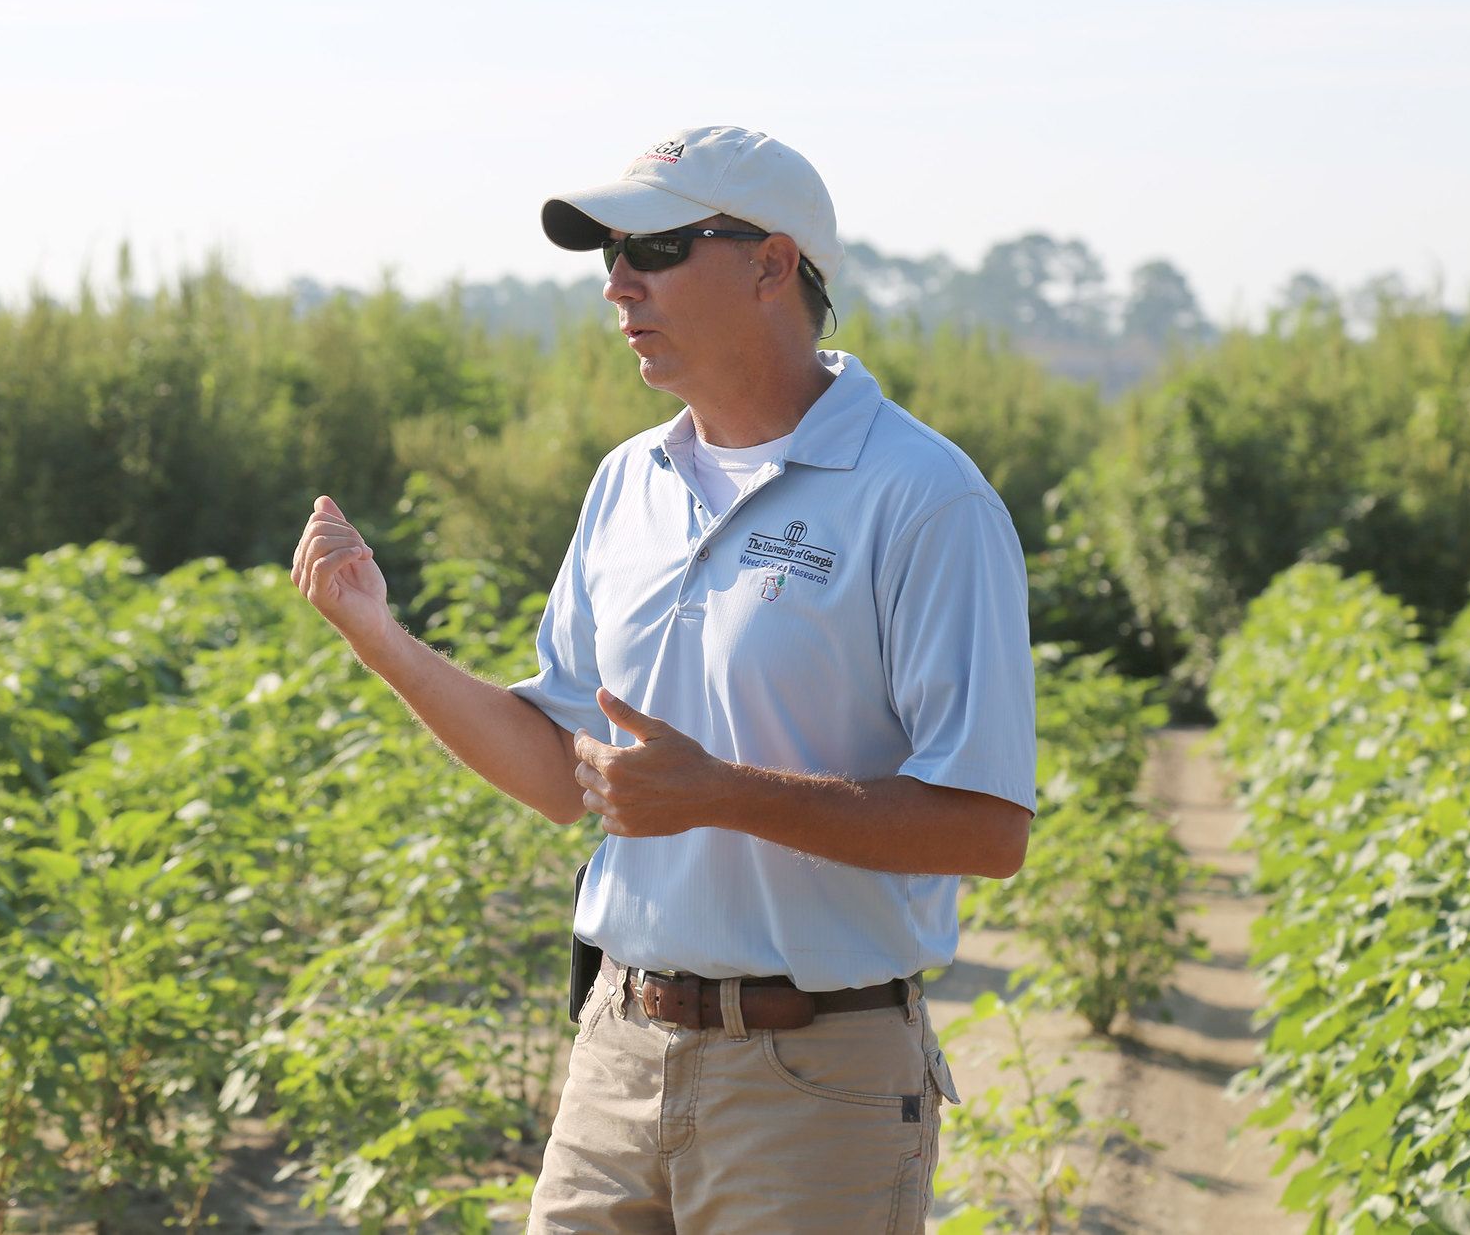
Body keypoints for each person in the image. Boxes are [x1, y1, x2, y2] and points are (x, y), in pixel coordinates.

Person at [291, 125, 1036, 1234]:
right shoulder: (626, 484)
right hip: (617, 1048)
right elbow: (562, 777)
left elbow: (985, 830)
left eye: (656, 249)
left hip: (814, 1081)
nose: (618, 286)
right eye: (607, 257)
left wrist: (719, 794)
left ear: (771, 266)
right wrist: (379, 641)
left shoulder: (922, 499)